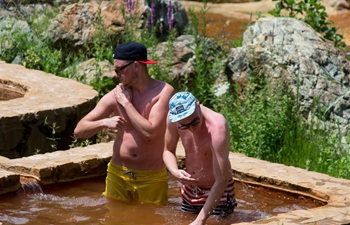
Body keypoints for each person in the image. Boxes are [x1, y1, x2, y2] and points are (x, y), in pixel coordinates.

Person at [74, 41, 175, 205]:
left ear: (136, 66)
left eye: (120, 69)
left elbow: (150, 132)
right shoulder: (116, 94)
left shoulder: (163, 92)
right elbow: (79, 130)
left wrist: (126, 104)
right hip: (118, 174)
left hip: (151, 176)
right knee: (114, 219)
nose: (116, 75)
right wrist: (104, 122)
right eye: (115, 70)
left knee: (152, 220)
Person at [163, 91, 237, 225]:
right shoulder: (173, 118)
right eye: (184, 126)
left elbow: (222, 178)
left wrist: (200, 220)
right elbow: (168, 150)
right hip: (190, 191)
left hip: (218, 192)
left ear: (198, 105)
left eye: (194, 122)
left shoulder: (217, 126)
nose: (191, 129)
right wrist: (174, 170)